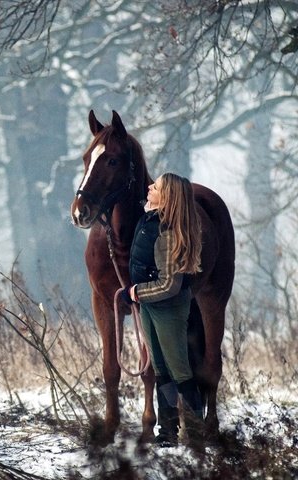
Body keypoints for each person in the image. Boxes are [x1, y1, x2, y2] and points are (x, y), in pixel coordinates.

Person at [121, 172, 204, 448]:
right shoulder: (150, 220)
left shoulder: (167, 233)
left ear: (166, 197)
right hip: (150, 306)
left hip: (167, 307)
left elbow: (169, 284)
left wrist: (136, 292)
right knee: (161, 370)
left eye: (155, 187)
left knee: (179, 370)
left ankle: (196, 434)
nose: (149, 187)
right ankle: (167, 431)